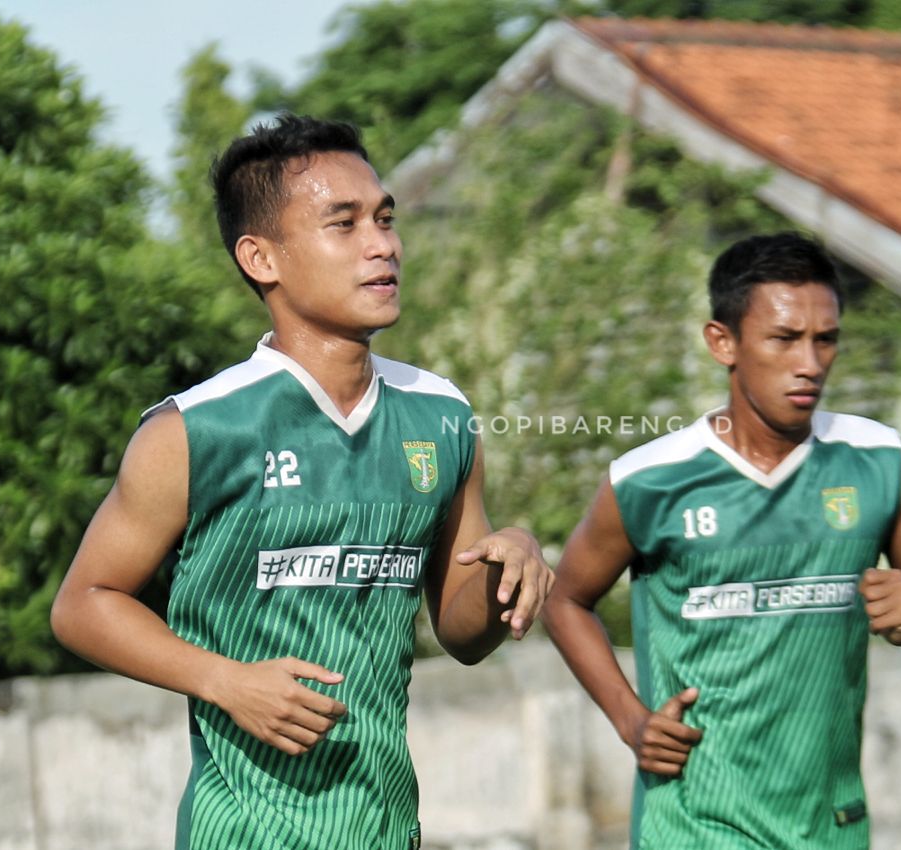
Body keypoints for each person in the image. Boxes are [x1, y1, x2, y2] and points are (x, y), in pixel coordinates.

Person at [50, 115, 554, 850]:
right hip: (245, 832)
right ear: (261, 258)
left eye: (384, 219)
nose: (382, 244)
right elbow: (82, 605)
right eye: (342, 224)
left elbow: (462, 633)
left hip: (390, 829)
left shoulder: (442, 416)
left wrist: (512, 560)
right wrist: (224, 681)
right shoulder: (194, 431)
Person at [543, 232, 901, 849]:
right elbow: (565, 600)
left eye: (826, 340)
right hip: (694, 825)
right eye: (785, 339)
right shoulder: (651, 480)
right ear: (724, 342)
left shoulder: (882, 463)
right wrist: (630, 719)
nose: (810, 363)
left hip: (831, 825)